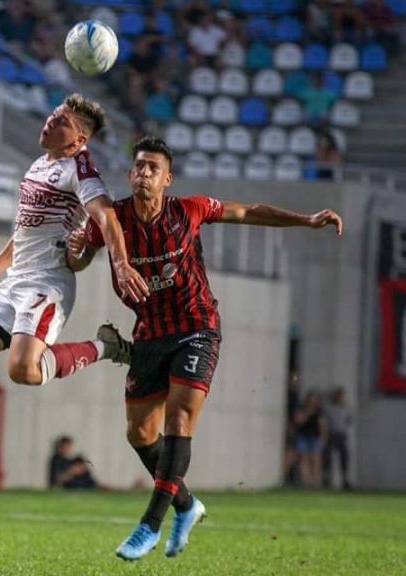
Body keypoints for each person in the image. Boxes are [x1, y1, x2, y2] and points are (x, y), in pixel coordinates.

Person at [69, 136, 343, 560]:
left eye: (153, 168)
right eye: (139, 166)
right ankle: (186, 504)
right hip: (150, 334)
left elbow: (247, 212)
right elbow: (79, 258)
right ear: (130, 173)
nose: (144, 173)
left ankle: (149, 525)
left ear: (167, 179)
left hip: (197, 326)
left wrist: (306, 220)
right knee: (139, 433)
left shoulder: (188, 210)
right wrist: (75, 252)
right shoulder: (112, 219)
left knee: (179, 418)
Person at [0, 94, 138, 493]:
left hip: (47, 284)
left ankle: (106, 347)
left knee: (23, 371)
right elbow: (25, 232)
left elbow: (106, 216)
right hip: (15, 281)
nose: (50, 122)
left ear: (79, 139)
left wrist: (120, 263)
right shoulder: (39, 164)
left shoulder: (80, 169)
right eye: (53, 116)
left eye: (62, 122)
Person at [294, 391, 327, 488]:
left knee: (315, 459)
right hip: (302, 436)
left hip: (315, 437)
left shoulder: (319, 411)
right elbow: (298, 421)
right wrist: (306, 413)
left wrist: (323, 438)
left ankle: (315, 481)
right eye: (310, 399)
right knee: (303, 458)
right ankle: (305, 481)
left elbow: (323, 426)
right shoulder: (301, 409)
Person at [323, 387, 352, 490]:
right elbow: (324, 421)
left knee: (344, 458)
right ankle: (326, 478)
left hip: (341, 435)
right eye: (338, 396)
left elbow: (349, 421)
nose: (340, 398)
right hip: (331, 434)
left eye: (341, 396)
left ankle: (345, 479)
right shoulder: (328, 408)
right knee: (327, 457)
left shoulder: (346, 408)